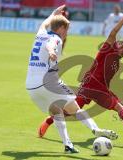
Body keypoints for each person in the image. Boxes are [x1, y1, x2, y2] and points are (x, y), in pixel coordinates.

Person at [39, 7, 123, 138]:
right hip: (92, 85)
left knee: (72, 110)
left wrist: (113, 94)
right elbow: (112, 33)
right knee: (118, 107)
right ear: (118, 43)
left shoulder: (117, 63)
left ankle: (48, 121)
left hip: (91, 86)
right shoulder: (108, 49)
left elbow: (104, 82)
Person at [26, 5, 117, 154]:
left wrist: (55, 12)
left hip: (31, 86)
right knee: (75, 109)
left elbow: (46, 22)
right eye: (66, 29)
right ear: (60, 28)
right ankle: (96, 129)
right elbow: (51, 44)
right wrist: (51, 52)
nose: (66, 33)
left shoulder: (40, 32)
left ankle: (68, 145)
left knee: (56, 111)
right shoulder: (56, 38)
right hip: (48, 82)